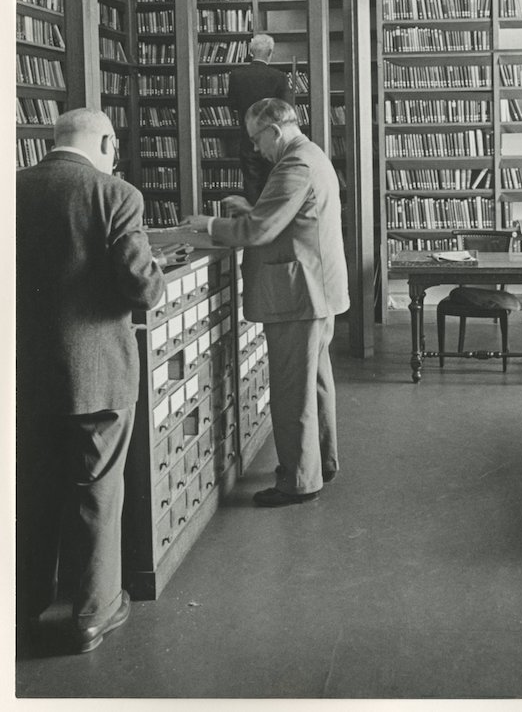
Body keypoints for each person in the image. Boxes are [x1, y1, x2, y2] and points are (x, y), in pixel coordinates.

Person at [16, 108, 165, 653]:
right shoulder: (116, 194)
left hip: (25, 374)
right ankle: (91, 614)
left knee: (29, 492)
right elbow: (140, 287)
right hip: (96, 373)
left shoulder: (13, 188)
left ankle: (21, 607)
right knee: (96, 491)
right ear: (105, 141)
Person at [180, 97, 349, 507]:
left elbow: (259, 231)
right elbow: (288, 216)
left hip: (298, 294)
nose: (255, 148)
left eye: (257, 139)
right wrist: (253, 208)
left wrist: (211, 225)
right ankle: (320, 462)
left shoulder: (294, 164)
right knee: (315, 384)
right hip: (314, 290)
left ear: (274, 131)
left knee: (292, 391)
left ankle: (297, 482)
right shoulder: (310, 155)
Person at [227, 33, 291, 203]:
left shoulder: (236, 75)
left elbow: (232, 105)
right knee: (272, 185)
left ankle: (253, 221)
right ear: (270, 52)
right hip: (273, 140)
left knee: (251, 187)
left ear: (250, 51)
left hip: (248, 139)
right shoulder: (279, 77)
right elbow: (285, 110)